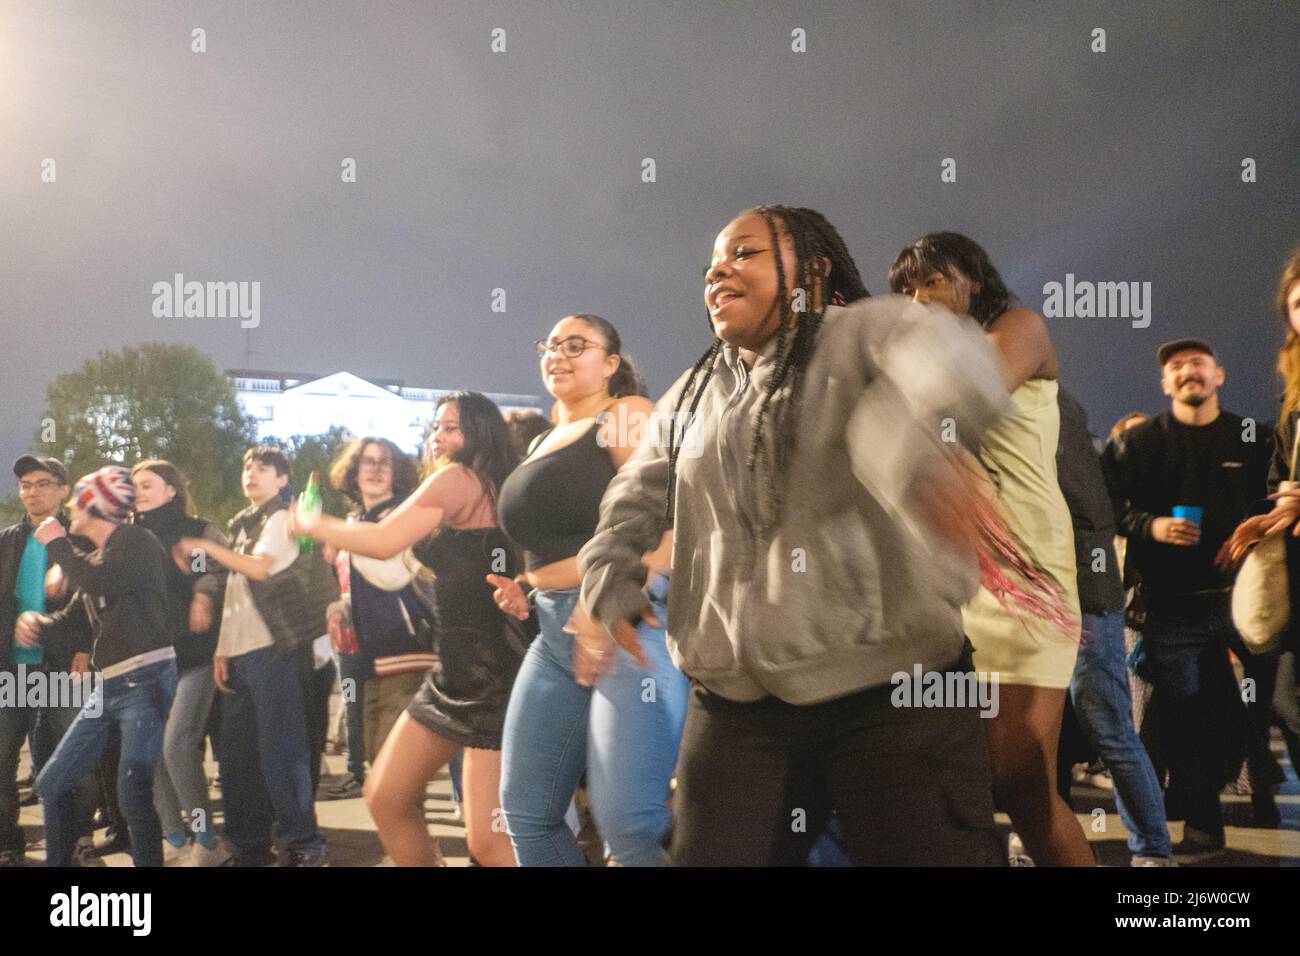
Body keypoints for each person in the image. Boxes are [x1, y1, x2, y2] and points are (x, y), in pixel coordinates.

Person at [577, 205, 1010, 866]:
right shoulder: (696, 390)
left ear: (812, 267)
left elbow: (951, 361)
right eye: (713, 263)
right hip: (735, 706)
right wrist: (609, 570)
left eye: (745, 252)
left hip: (893, 691)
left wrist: (914, 448)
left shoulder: (874, 327)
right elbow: (635, 491)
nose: (720, 268)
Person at [890, 232, 1092, 866]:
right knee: (949, 779)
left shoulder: (1020, 328)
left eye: (931, 281)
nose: (917, 299)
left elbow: (959, 406)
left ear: (972, 278)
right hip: (954, 580)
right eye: (906, 290)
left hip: (1027, 571)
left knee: (1024, 782)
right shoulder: (918, 364)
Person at [291, 393, 526, 867]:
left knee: (487, 842)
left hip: (490, 674)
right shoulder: (488, 484)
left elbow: (383, 542)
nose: (438, 437)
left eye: (452, 427)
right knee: (386, 795)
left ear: (479, 432)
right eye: (434, 427)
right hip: (453, 671)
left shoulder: (460, 478)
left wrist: (315, 524)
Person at [492, 313, 687, 867]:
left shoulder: (625, 414)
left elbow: (669, 523)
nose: (557, 353)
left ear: (611, 363)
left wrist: (609, 600)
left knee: (629, 823)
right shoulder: (544, 436)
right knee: (526, 813)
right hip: (554, 633)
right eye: (550, 344)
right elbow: (565, 544)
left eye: (576, 345)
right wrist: (528, 583)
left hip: (628, 622)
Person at [1103, 338, 1271, 855]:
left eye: (1197, 363)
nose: (1187, 372)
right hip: (1172, 606)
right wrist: (1151, 527)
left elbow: (1279, 496)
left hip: (1250, 602)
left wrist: (1257, 529)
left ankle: (1262, 790)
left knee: (1273, 710)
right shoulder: (1140, 443)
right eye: (1175, 367)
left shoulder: (1251, 436)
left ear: (1218, 374)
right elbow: (1104, 506)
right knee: (1190, 718)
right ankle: (1203, 827)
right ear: (1164, 384)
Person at [17, 466, 178, 868]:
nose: (72, 506)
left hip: (145, 680)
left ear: (98, 505)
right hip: (109, 687)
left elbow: (99, 580)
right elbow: (73, 619)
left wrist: (58, 545)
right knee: (52, 783)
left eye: (80, 498)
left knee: (132, 794)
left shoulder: (137, 541)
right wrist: (39, 624)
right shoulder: (100, 556)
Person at [178, 446, 327, 867]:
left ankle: (304, 843)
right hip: (242, 654)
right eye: (247, 466)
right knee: (237, 757)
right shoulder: (243, 523)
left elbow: (261, 568)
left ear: (282, 480)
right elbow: (234, 594)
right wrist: (224, 648)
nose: (252, 473)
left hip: (275, 651)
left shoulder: (282, 517)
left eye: (263, 468)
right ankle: (248, 843)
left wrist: (205, 550)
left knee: (283, 752)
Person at [1055, 390, 1172, 865]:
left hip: (1082, 602)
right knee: (1043, 733)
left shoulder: (1054, 411)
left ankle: (1153, 851)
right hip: (1043, 602)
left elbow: (1090, 519)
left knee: (1110, 728)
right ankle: (1041, 837)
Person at [1218, 247, 1300, 800]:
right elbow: (1279, 465)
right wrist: (1272, 514)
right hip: (1295, 562)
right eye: (1297, 303)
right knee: (1286, 699)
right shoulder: (1292, 390)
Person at [130, 460, 231, 866]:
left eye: (147, 484)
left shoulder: (197, 531)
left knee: (177, 746)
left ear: (172, 489)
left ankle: (208, 841)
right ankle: (174, 837)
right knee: (151, 751)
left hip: (195, 656)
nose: (138, 490)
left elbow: (215, 572)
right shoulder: (130, 536)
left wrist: (203, 595)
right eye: (133, 484)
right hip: (149, 659)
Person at [0, 456, 97, 866]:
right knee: (3, 758)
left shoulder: (81, 541)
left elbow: (99, 600)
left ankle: (78, 840)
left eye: (42, 483)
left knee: (71, 760)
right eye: (25, 484)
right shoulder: (6, 540)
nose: (32, 492)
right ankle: (8, 843)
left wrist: (87, 647)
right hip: (12, 669)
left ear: (62, 489)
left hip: (64, 669)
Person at [323, 438, 436, 787]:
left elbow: (392, 570)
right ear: (353, 472)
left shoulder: (401, 515)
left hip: (406, 656)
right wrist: (343, 605)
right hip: (365, 656)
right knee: (379, 768)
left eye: (384, 462)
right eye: (366, 462)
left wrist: (326, 528)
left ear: (397, 471)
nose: (374, 469)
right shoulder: (356, 520)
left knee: (394, 785)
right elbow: (367, 579)